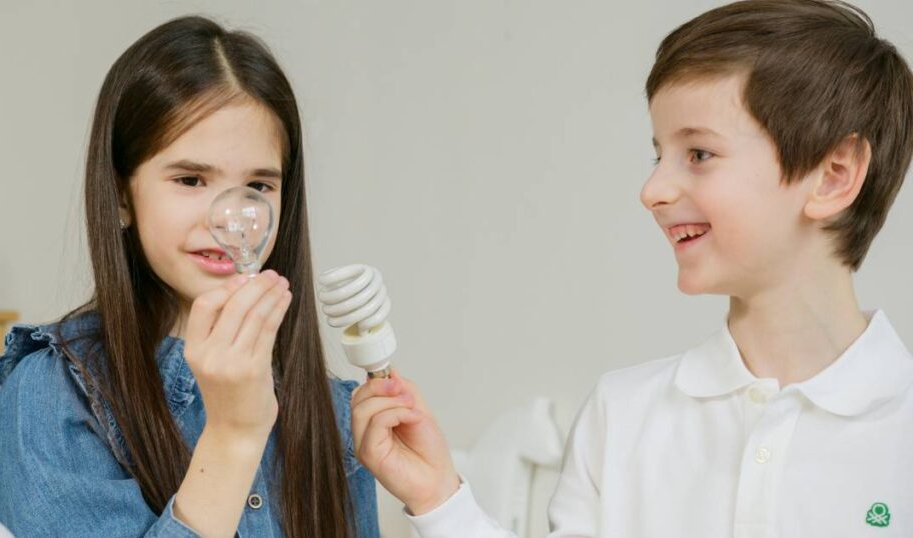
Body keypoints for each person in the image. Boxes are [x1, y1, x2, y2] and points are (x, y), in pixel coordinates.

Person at [352, 1, 913, 536]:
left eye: (698, 154)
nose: (652, 191)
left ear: (834, 174)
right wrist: (438, 497)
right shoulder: (621, 415)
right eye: (657, 154)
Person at [0, 16, 378, 537]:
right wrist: (234, 436)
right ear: (122, 195)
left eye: (259, 185)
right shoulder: (51, 400)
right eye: (191, 179)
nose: (229, 219)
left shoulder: (331, 414)